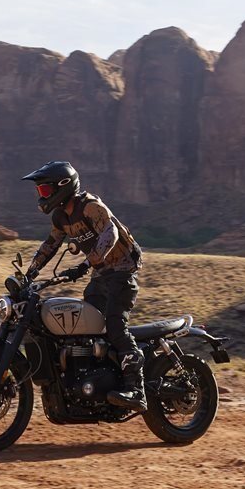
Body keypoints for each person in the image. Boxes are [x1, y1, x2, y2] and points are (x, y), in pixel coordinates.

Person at [22, 160, 146, 410]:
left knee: (115, 324)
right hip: (101, 275)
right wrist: (30, 273)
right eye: (40, 191)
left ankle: (136, 388)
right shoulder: (60, 216)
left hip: (122, 270)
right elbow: (50, 244)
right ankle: (96, 380)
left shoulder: (90, 207)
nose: (42, 196)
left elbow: (110, 234)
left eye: (45, 190)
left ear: (63, 186)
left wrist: (86, 263)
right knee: (88, 325)